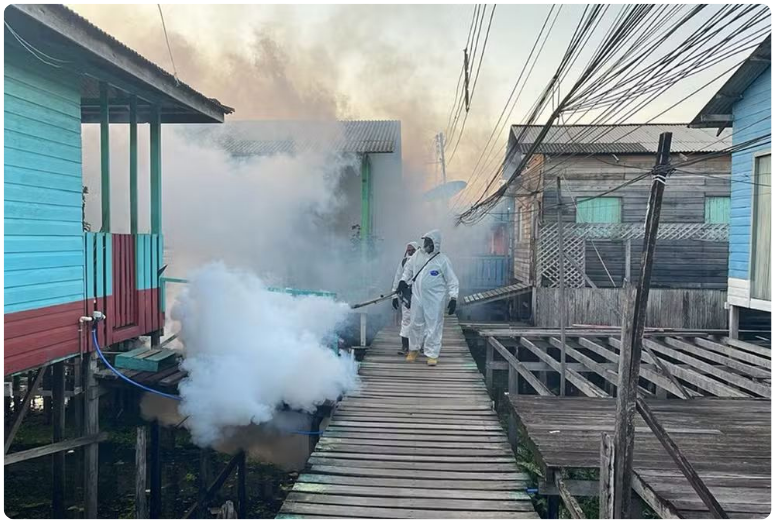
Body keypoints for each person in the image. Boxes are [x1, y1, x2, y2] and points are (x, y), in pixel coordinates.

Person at [396, 229, 459, 366]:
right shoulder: (418, 255)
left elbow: (452, 280)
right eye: (425, 241)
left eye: (428, 241)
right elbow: (408, 270)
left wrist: (453, 297)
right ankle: (414, 349)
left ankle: (432, 354)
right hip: (417, 296)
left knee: (433, 326)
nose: (425, 244)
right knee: (415, 323)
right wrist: (402, 281)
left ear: (435, 243)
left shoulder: (443, 261)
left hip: (435, 299)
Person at [392, 241, 419, 355]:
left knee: (419, 320)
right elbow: (397, 278)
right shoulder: (404, 262)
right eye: (409, 250)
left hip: (419, 294)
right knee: (406, 320)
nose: (410, 252)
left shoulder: (422, 262)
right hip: (407, 294)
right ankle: (405, 345)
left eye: (412, 250)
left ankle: (419, 345)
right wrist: (394, 295)